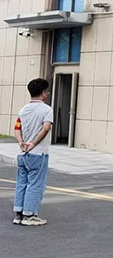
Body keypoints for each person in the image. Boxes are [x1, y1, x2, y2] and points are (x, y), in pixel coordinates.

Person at [13, 78, 53, 226]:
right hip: (38, 153)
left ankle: (19, 214)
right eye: (46, 91)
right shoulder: (46, 110)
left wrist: (21, 142)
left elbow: (17, 128)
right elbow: (46, 128)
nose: (47, 94)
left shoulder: (23, 110)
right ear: (43, 93)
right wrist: (34, 143)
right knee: (35, 184)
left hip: (22, 153)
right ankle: (29, 215)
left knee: (22, 183)